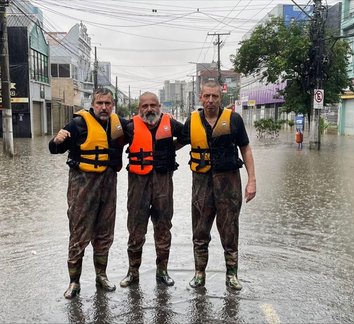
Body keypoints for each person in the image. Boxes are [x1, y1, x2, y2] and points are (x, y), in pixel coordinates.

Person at [178, 81, 256, 291]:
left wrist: (252, 180)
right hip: (201, 183)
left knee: (230, 230)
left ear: (221, 98)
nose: (210, 100)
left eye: (214, 96)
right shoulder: (192, 121)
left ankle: (231, 274)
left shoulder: (234, 120)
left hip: (228, 182)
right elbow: (177, 143)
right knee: (200, 230)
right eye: (207, 96)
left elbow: (246, 149)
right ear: (200, 98)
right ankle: (199, 273)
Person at [49, 88, 126, 299]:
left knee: (104, 234)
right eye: (100, 103)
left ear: (112, 106)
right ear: (92, 104)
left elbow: (145, 129)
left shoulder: (119, 125)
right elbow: (54, 149)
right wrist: (57, 139)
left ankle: (101, 276)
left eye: (108, 103)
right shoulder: (77, 124)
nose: (103, 107)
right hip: (81, 186)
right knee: (78, 233)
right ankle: (74, 282)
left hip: (108, 187)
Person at [119, 92, 183, 288]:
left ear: (159, 106)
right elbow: (110, 144)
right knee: (135, 229)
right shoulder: (129, 127)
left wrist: (170, 149)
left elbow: (189, 136)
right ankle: (133, 272)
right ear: (139, 108)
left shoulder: (171, 124)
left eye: (153, 105)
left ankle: (162, 272)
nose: (149, 109)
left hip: (163, 181)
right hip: (138, 184)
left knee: (163, 227)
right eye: (145, 106)